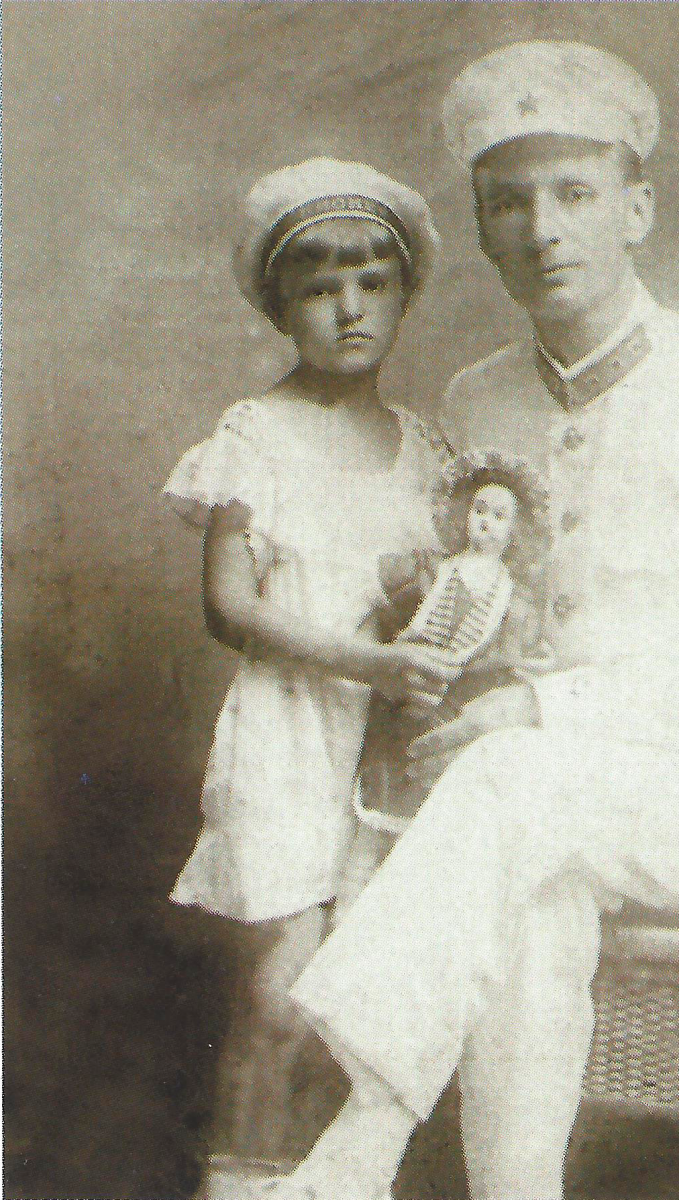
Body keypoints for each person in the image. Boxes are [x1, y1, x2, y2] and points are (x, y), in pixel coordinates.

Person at [270, 41, 679, 1200]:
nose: (543, 229)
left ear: (637, 209)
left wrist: (546, 707)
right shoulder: (477, 400)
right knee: (531, 881)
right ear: (484, 231)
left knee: (518, 784)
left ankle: (353, 1144)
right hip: (536, 816)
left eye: (575, 194)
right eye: (510, 203)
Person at [162, 157, 452, 1198]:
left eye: (373, 283)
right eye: (321, 288)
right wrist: (366, 660)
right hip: (290, 739)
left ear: (403, 294)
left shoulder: (425, 450)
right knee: (279, 1000)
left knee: (362, 1002)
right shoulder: (256, 436)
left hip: (386, 754)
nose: (350, 308)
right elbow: (228, 606)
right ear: (282, 307)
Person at [339, 452, 551, 915]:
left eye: (499, 516)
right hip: (402, 706)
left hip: (456, 710)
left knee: (433, 833)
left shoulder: (514, 600)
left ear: (515, 530)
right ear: (462, 514)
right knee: (373, 820)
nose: (486, 522)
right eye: (479, 510)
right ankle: (348, 915)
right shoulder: (432, 570)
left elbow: (515, 660)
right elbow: (374, 605)